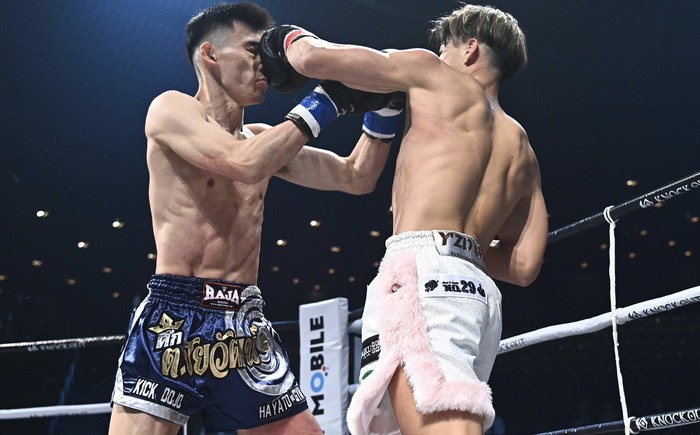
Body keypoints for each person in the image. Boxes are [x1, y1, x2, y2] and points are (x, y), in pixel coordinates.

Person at [108, 2, 400, 434]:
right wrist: (328, 101)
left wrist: (385, 109)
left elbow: (357, 176)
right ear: (210, 54)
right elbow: (242, 164)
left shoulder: (263, 139)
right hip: (175, 317)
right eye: (251, 50)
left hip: (244, 321)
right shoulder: (171, 109)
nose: (265, 62)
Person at [260, 4, 549, 434]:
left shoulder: (431, 71)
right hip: (476, 295)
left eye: (445, 47)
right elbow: (523, 265)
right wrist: (460, 248)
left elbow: (313, 58)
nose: (439, 54)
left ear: (469, 49)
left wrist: (284, 37)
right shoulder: (523, 149)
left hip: (423, 278)